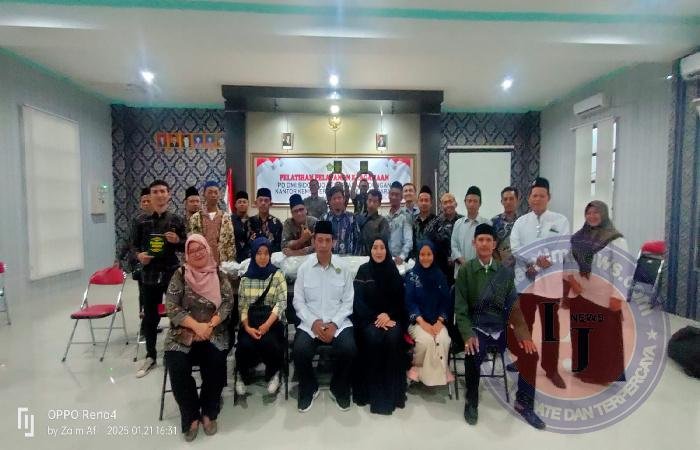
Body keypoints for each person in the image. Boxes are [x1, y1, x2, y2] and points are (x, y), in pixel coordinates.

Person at [454, 224, 545, 429]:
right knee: (472, 352)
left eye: (488, 240)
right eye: (480, 240)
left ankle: (524, 402)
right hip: (477, 328)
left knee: (530, 354)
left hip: (500, 328)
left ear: (494, 244)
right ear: (474, 243)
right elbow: (460, 309)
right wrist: (467, 334)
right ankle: (472, 400)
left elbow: (514, 307)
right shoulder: (466, 271)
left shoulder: (504, 271)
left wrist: (524, 335)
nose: (484, 244)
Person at [164, 235, 233, 441]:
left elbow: (227, 303)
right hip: (183, 334)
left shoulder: (219, 274)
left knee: (216, 363)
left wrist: (209, 325)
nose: (198, 253)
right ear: (187, 254)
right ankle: (191, 415)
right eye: (192, 250)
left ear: (207, 249)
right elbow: (171, 306)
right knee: (177, 366)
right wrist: (196, 326)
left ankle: (209, 412)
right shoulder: (180, 274)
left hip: (213, 331)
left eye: (201, 248)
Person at [510, 177, 570, 389]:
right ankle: (522, 360)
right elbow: (515, 247)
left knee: (550, 329)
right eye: (534, 195)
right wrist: (535, 261)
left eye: (541, 195)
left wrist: (547, 261)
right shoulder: (521, 222)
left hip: (549, 283)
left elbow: (564, 247)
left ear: (548, 197)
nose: (537, 199)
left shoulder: (560, 221)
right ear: (528, 198)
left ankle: (551, 368)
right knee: (524, 326)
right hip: (525, 282)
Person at [293, 220, 357, 412]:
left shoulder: (343, 268)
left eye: (327, 240)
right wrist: (313, 323)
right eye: (319, 240)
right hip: (310, 324)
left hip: (338, 323)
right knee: (300, 351)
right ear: (313, 241)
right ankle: (309, 388)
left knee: (349, 349)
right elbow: (298, 301)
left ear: (333, 242)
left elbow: (348, 302)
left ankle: (339, 387)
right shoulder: (304, 268)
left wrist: (334, 324)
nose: (323, 245)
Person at [568, 200, 627, 385]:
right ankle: (583, 369)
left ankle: (602, 374)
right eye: (588, 213)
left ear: (604, 214)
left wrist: (617, 296)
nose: (592, 216)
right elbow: (568, 262)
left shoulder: (615, 239)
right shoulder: (579, 237)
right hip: (580, 295)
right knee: (581, 334)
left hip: (603, 298)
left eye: (596, 212)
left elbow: (623, 270)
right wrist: (572, 282)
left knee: (603, 338)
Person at [133, 179, 187, 378]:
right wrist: (139, 256)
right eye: (155, 191)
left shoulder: (176, 220)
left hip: (171, 272)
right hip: (149, 274)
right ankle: (150, 355)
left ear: (169, 194)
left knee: (176, 313)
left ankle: (175, 351)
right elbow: (132, 246)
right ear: (150, 195)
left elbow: (186, 244)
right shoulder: (140, 221)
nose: (159, 194)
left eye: (163, 191)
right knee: (150, 317)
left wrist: (178, 240)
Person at [352, 238, 407, 415]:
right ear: (370, 250)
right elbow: (358, 302)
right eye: (375, 247)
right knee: (373, 338)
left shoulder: (393, 270)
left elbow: (400, 300)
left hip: (391, 318)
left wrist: (388, 315)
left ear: (387, 250)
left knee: (393, 338)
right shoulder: (363, 271)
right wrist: (377, 317)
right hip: (368, 319)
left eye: (382, 247)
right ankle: (371, 395)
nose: (378, 251)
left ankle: (392, 396)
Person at [235, 237, 287, 395]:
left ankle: (273, 374)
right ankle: (242, 375)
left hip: (271, 322)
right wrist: (247, 327)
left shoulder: (277, 275)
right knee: (244, 345)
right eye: (259, 253)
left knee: (269, 342)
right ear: (253, 255)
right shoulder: (245, 279)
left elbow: (281, 303)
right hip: (251, 322)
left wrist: (267, 325)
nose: (263, 257)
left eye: (266, 253)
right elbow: (243, 306)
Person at [405, 241, 452, 386]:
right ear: (417, 255)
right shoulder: (412, 276)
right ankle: (419, 368)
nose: (425, 258)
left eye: (429, 254)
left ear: (434, 255)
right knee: (426, 341)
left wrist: (440, 321)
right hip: (417, 322)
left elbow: (446, 301)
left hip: (437, 320)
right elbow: (409, 302)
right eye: (422, 254)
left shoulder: (440, 276)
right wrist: (422, 322)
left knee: (444, 339)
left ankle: (439, 371)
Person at [188, 181, 235, 264]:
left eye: (216, 192)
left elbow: (230, 243)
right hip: (202, 261)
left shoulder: (226, 217)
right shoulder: (196, 218)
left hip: (222, 262)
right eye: (210, 192)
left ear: (219, 195)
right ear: (204, 194)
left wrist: (229, 263)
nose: (213, 195)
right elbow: (192, 242)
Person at [451, 186, 491, 278]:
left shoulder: (487, 224)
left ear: (480, 204)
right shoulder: (458, 223)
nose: (472, 204)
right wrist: (464, 263)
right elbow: (454, 246)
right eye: (469, 201)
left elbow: (489, 248)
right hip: (461, 271)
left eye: (475, 201)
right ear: (465, 202)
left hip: (481, 271)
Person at [425, 192, 463, 285]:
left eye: (450, 201)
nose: (448, 205)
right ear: (441, 206)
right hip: (440, 265)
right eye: (445, 203)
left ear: (456, 204)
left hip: (460, 264)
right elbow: (427, 237)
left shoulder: (462, 221)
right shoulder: (435, 222)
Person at [321, 186, 357, 255]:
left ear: (344, 199)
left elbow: (357, 240)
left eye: (339, 198)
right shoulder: (324, 219)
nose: (337, 201)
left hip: (349, 258)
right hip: (329, 257)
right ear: (330, 201)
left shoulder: (352, 218)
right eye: (334, 198)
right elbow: (320, 240)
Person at [246, 188, 283, 253]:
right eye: (260, 200)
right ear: (256, 203)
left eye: (266, 200)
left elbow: (280, 246)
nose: (263, 203)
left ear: (270, 204)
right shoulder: (249, 222)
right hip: (253, 257)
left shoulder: (277, 223)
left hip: (272, 257)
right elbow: (246, 245)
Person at [491, 186, 520, 267]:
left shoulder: (523, 221)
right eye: (505, 199)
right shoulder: (494, 222)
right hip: (500, 267)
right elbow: (491, 246)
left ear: (517, 200)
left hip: (520, 267)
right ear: (502, 202)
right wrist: (500, 263)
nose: (508, 202)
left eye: (511, 199)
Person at [355, 189, 390, 256]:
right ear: (366, 201)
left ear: (379, 204)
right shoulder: (359, 218)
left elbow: (383, 242)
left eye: (375, 202)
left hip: (374, 255)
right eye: (369, 200)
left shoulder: (382, 221)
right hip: (358, 255)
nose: (371, 204)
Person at [386, 181, 412, 265]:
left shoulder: (406, 216)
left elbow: (409, 241)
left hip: (400, 262)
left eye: (397, 195)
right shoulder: (385, 218)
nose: (394, 197)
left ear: (401, 197)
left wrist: (402, 257)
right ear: (389, 195)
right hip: (386, 260)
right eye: (392, 194)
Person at [412, 185, 437, 258]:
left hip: (431, 259)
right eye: (421, 200)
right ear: (417, 202)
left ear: (431, 203)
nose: (423, 203)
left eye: (426, 200)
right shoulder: (413, 220)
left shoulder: (437, 221)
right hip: (415, 259)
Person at [232, 191, 250, 262]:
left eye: (244, 202)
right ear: (235, 205)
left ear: (248, 204)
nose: (242, 204)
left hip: (248, 258)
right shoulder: (229, 220)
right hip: (233, 257)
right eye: (239, 202)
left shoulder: (253, 221)